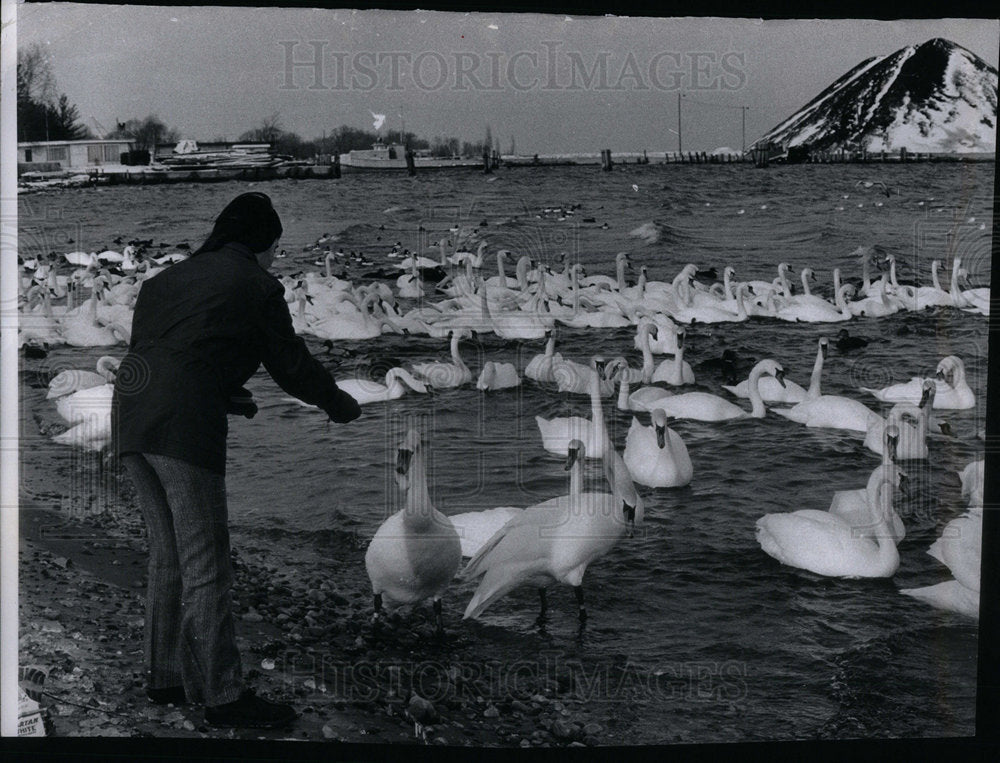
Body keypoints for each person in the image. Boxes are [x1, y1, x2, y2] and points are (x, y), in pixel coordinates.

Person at [111, 192, 361, 729]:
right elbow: (291, 364)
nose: (274, 259)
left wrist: (224, 393)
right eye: (274, 248)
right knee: (207, 564)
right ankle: (224, 697)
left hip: (131, 416)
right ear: (261, 244)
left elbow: (172, 353)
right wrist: (338, 403)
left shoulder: (163, 282)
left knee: (166, 558)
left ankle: (165, 679)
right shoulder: (256, 284)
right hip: (183, 430)